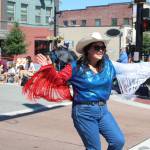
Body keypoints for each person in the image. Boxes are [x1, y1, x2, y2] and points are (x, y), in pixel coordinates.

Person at [23, 32, 125, 149]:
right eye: (97, 47)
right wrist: (48, 68)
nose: (101, 50)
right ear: (88, 50)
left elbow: (128, 70)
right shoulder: (75, 67)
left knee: (118, 141)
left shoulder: (108, 65)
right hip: (84, 112)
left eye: (103, 47)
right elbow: (57, 80)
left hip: (103, 110)